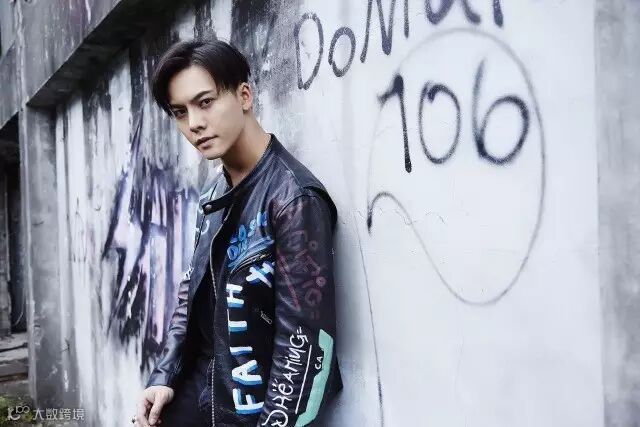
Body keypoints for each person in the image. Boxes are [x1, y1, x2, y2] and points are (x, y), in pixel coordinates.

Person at [133, 38, 342, 427]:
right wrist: (164, 376)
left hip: (252, 413)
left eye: (205, 102)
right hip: (201, 398)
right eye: (180, 112)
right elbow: (192, 293)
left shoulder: (293, 200)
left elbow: (303, 347)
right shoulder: (215, 193)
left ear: (244, 96)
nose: (194, 123)